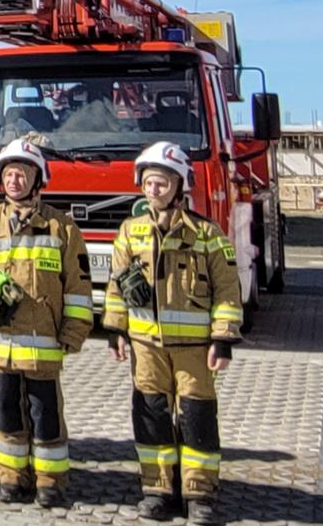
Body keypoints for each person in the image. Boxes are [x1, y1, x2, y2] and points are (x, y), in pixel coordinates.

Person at [104, 142, 244, 526]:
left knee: (198, 417)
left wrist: (224, 339)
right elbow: (116, 286)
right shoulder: (129, 233)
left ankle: (199, 495)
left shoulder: (205, 233)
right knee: (150, 417)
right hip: (146, 347)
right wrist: (116, 331)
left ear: (179, 185)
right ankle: (158, 490)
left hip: (195, 350)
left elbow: (228, 289)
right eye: (148, 183)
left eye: (162, 183)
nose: (154, 190)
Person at [0, 137, 92, 509]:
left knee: (45, 417)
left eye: (22, 173)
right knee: (6, 416)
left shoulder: (61, 229)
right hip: (0, 346)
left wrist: (74, 331)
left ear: (38, 179)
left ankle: (50, 483)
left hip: (44, 345)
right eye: (9, 174)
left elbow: (78, 288)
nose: (15, 180)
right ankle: (11, 479)